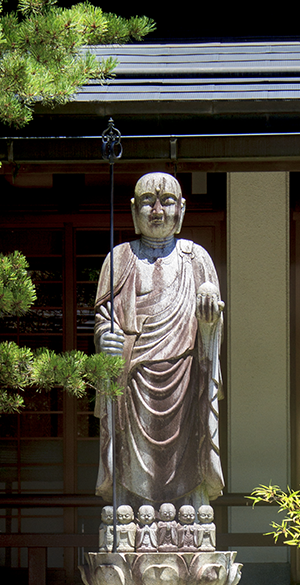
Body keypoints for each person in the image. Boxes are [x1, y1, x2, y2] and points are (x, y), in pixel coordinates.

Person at [94, 172, 225, 510]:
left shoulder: (196, 259)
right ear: (133, 210)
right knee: (130, 448)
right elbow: (104, 319)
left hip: (185, 375)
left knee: (188, 441)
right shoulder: (119, 259)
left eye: (167, 202)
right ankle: (130, 505)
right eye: (147, 202)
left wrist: (209, 319)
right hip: (133, 378)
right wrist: (105, 338)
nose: (157, 210)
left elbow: (211, 329)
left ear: (181, 209)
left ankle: (189, 506)